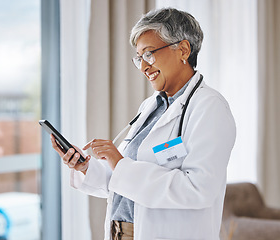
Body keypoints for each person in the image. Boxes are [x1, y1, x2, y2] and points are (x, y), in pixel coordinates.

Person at [51, 7, 236, 240]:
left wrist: (120, 163)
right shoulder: (151, 106)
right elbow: (125, 183)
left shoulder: (210, 108)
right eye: (139, 58)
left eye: (149, 54)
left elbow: (198, 190)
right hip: (121, 232)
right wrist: (86, 166)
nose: (143, 67)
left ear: (183, 50)